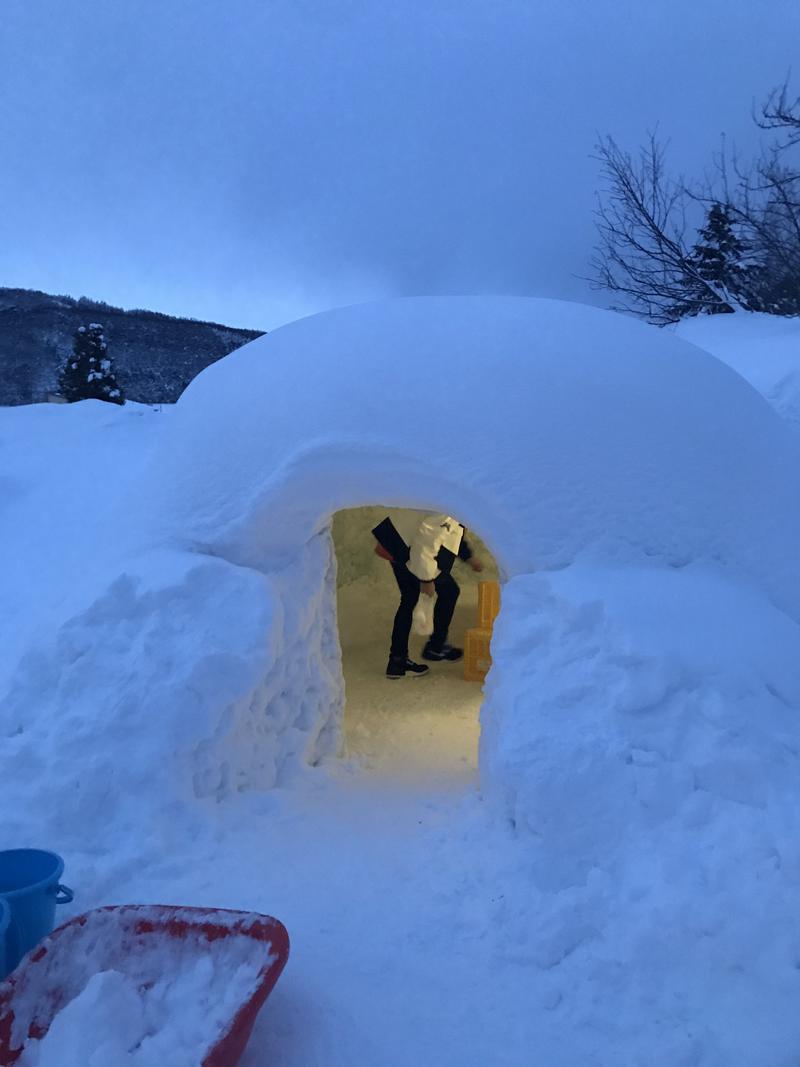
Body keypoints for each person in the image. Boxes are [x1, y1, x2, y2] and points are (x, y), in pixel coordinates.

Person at [372, 513, 483, 680]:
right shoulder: (447, 510)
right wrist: (426, 580)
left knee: (413, 598)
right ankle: (430, 648)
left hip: (399, 543)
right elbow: (425, 544)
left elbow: (448, 533)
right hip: (408, 548)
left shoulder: (454, 506)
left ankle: (400, 660)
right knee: (438, 593)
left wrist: (469, 557)